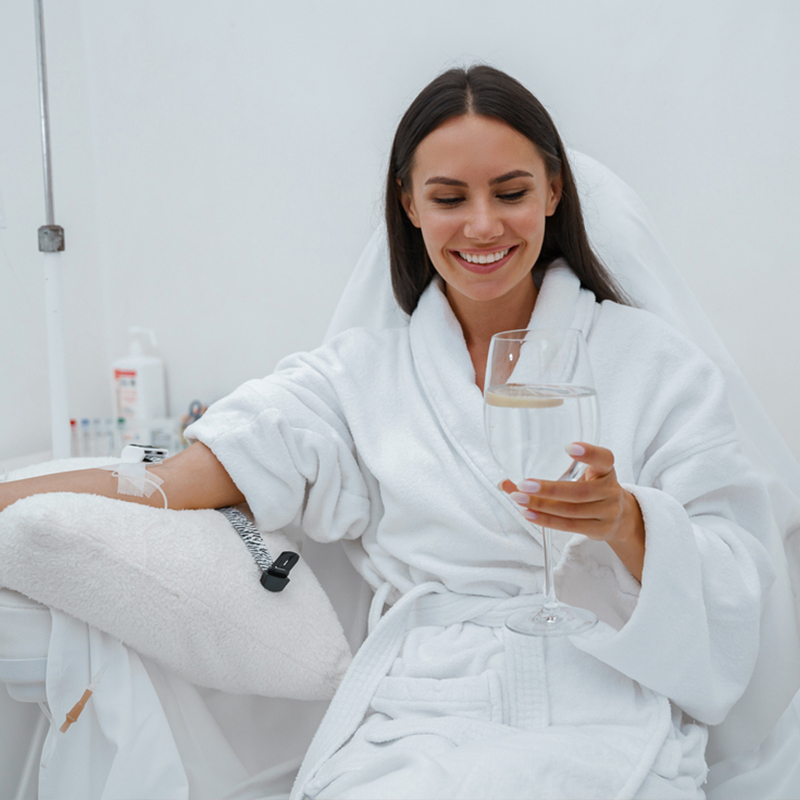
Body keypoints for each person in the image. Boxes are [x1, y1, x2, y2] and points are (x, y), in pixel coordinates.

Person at [0, 66, 776, 799]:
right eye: (448, 198)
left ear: (553, 192)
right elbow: (175, 481)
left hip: (603, 689)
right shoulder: (356, 377)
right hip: (425, 706)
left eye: (510, 191)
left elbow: (737, 572)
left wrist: (630, 523)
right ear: (408, 204)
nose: (482, 225)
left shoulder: (657, 364)